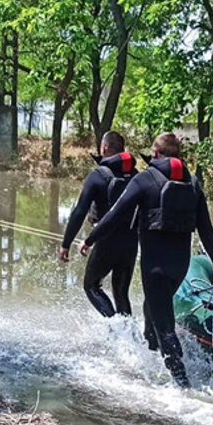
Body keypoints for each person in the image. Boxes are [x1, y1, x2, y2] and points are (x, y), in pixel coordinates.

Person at [81, 132, 213, 387]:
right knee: (152, 313)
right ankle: (148, 365)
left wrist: (90, 238)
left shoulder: (145, 179)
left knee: (164, 327)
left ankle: (183, 388)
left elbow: (115, 214)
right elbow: (206, 230)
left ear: (156, 153)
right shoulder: (193, 183)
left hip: (155, 268)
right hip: (179, 267)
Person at [59, 131, 139, 317]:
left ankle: (116, 330)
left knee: (91, 286)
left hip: (106, 241)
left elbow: (79, 212)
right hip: (131, 242)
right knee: (121, 294)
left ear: (104, 148)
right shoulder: (137, 176)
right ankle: (130, 337)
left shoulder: (97, 176)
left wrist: (66, 244)